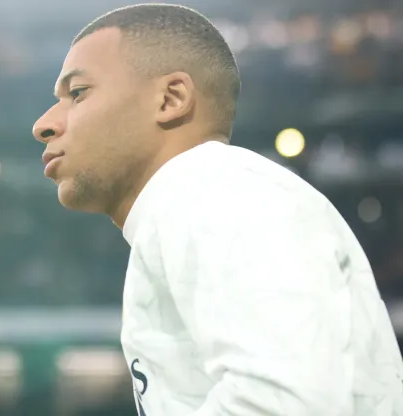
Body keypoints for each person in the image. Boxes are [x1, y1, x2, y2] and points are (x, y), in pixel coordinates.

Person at [32, 3, 403, 415]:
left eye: (77, 93)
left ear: (171, 99)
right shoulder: (194, 201)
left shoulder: (213, 191)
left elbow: (282, 404)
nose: (44, 123)